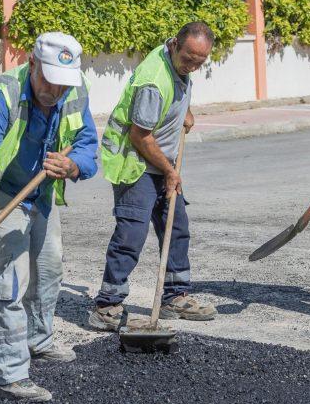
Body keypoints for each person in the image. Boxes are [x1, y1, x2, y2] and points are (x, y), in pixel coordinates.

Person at [0, 32, 98, 401]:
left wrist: (74, 165)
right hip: (6, 196)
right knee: (9, 280)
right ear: (33, 65)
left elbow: (89, 144)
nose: (56, 92)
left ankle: (37, 339)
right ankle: (6, 374)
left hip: (41, 193)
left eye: (63, 84)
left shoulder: (75, 91)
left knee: (49, 269)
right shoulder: (4, 96)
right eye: (50, 82)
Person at [87, 21, 218, 331]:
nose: (192, 66)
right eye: (188, 58)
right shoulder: (154, 80)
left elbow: (178, 89)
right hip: (136, 162)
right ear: (174, 44)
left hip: (160, 161)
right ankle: (107, 304)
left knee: (176, 227)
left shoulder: (179, 68)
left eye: (200, 62)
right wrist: (171, 171)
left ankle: (175, 297)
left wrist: (183, 109)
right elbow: (140, 136)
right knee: (131, 235)